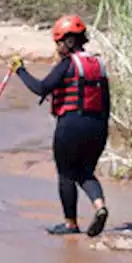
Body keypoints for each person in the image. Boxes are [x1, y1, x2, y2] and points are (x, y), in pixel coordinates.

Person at [10, 15, 111, 237]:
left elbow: (41, 87)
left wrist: (20, 70)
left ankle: (70, 224)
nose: (56, 47)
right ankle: (100, 206)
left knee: (66, 173)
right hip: (98, 126)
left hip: (71, 125)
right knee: (84, 171)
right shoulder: (99, 64)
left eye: (58, 42)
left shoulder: (67, 64)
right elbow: (106, 102)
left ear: (69, 41)